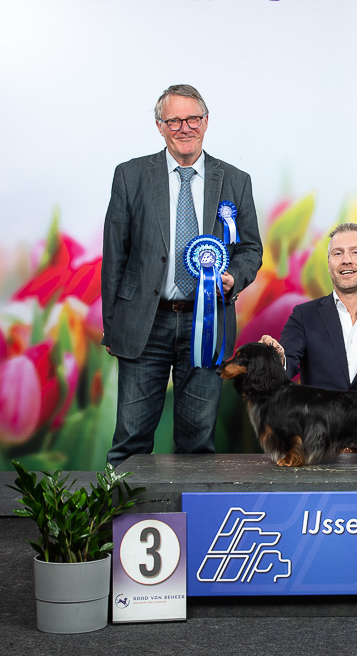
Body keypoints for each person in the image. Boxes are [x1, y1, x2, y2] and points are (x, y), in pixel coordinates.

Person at [102, 84, 262, 467]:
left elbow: (251, 249)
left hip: (207, 324)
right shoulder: (130, 175)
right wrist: (112, 325)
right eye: (174, 120)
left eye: (192, 119)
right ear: (159, 126)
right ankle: (119, 508)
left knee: (197, 443)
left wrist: (233, 278)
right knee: (130, 440)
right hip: (144, 322)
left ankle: (188, 509)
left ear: (206, 122)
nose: (184, 127)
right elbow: (114, 255)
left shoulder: (235, 180)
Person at [261, 223, 357, 430]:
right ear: (328, 264)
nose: (346, 260)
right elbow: (287, 365)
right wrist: (277, 358)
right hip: (321, 443)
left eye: (355, 252)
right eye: (338, 253)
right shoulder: (303, 316)